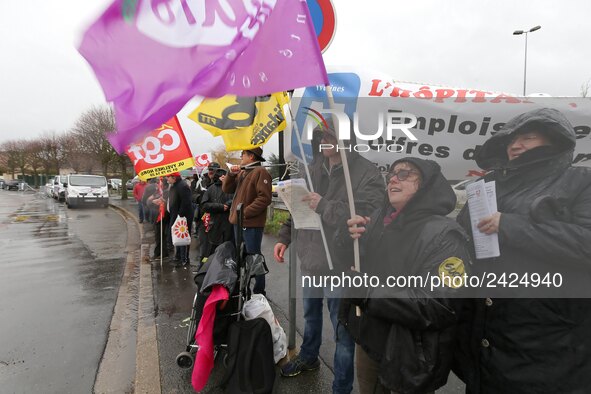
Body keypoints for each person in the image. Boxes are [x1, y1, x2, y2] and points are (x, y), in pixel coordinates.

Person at [454, 108, 591, 393]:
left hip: (548, 343)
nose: (514, 145)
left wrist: (510, 226)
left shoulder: (581, 181)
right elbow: (457, 238)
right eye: (510, 140)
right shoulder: (486, 186)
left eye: (527, 137)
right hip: (485, 336)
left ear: (555, 141)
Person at [341, 158, 471, 394]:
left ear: (426, 184)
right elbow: (354, 267)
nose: (392, 178)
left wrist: (369, 293)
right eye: (391, 173)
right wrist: (346, 238)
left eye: (404, 173)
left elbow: (439, 304)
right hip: (370, 342)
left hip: (411, 354)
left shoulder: (446, 236)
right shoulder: (379, 221)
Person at [274, 125, 385, 394]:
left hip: (342, 264)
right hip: (311, 259)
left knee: (343, 330)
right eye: (321, 138)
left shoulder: (366, 172)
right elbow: (297, 208)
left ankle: (341, 387)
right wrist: (284, 237)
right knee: (311, 316)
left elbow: (368, 215)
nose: (325, 143)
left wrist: (324, 205)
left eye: (331, 137)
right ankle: (309, 356)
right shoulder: (312, 169)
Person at [222, 147, 272, 295]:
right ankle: (244, 289)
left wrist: (244, 213)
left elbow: (264, 198)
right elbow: (227, 189)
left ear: (251, 156)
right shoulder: (244, 172)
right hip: (239, 223)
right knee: (242, 257)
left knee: (254, 257)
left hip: (250, 224)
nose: (241, 156)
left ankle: (259, 291)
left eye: (243, 154)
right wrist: (231, 174)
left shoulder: (260, 172)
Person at [199, 168, 234, 264]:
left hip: (229, 225)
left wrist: (229, 204)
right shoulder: (211, 189)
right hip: (214, 225)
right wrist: (220, 207)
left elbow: (238, 198)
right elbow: (204, 205)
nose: (223, 178)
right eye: (221, 176)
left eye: (225, 176)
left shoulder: (233, 188)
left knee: (229, 249)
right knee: (212, 250)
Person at [167, 172, 194, 266]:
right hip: (176, 215)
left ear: (174, 177)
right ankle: (178, 256)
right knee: (177, 237)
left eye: (168, 177)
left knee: (183, 237)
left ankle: (184, 259)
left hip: (183, 217)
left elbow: (186, 201)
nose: (167, 179)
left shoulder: (182, 186)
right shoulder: (175, 185)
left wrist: (180, 215)